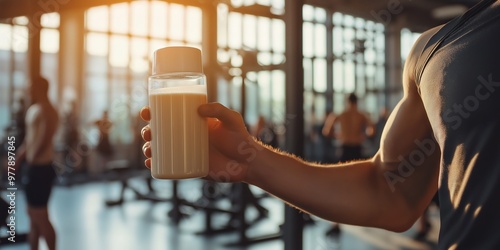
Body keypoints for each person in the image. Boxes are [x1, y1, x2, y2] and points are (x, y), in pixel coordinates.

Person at [140, 1, 500, 248]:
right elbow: (389, 190)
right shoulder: (435, 49)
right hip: (355, 149)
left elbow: (330, 132)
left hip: (348, 145)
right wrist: (250, 160)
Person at [321, 93, 374, 235]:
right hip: (357, 150)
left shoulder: (340, 114)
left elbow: (326, 131)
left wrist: (339, 135)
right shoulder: (361, 115)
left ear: (347, 101)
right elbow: (371, 130)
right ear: (356, 102)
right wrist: (362, 135)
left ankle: (336, 223)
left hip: (344, 150)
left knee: (340, 186)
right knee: (361, 184)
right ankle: (366, 218)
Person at [16, 76, 59, 250]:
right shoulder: (33, 109)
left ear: (40, 89)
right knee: (32, 217)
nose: (27, 91)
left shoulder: (48, 110)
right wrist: (19, 158)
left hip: (41, 169)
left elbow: (44, 138)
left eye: (31, 87)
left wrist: (31, 160)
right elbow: (29, 139)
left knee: (40, 215)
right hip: (31, 168)